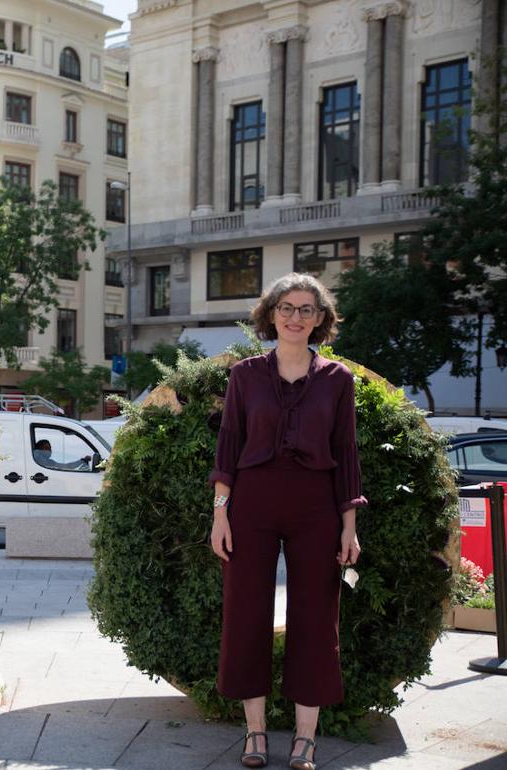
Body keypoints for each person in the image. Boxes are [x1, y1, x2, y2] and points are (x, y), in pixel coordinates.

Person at [209, 273, 365, 770]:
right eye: (286, 307)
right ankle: (255, 733)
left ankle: (305, 738)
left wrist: (349, 524)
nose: (295, 317)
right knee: (245, 614)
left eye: (306, 309)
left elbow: (345, 452)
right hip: (251, 504)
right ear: (270, 313)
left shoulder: (338, 381)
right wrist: (221, 513)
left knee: (317, 619)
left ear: (320, 320)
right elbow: (229, 443)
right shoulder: (246, 376)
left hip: (316, 506)